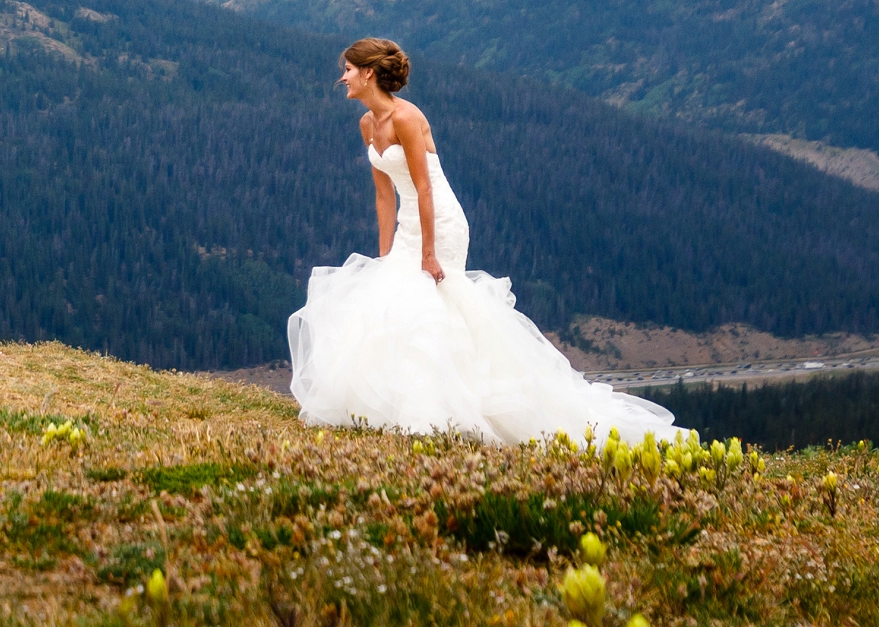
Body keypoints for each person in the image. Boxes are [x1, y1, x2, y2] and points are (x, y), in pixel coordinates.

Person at [286, 36, 681, 444]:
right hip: (409, 219)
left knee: (432, 300)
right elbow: (384, 193)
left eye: (348, 70)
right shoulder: (367, 123)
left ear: (368, 73)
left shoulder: (407, 118)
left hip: (440, 220)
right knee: (393, 294)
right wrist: (385, 253)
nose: (343, 77)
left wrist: (428, 253)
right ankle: (398, 405)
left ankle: (456, 405)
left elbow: (425, 188)